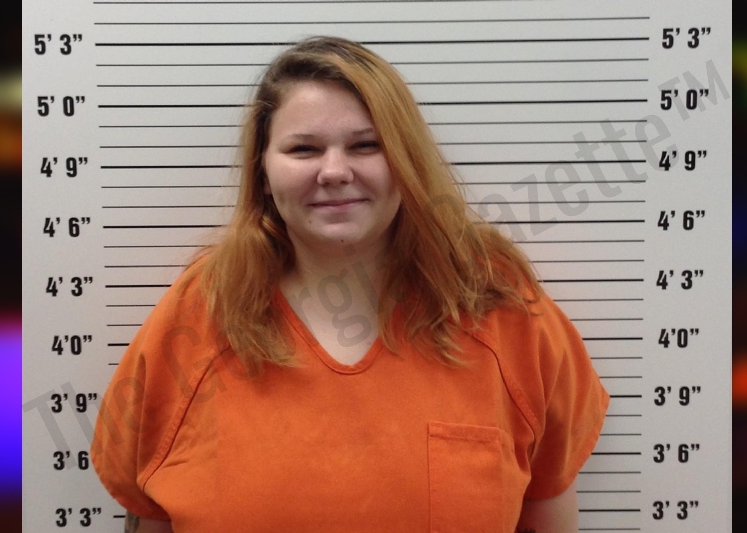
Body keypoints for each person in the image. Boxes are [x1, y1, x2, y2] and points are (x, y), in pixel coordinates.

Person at [90, 36, 609, 533]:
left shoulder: (503, 311)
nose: (334, 171)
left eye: (366, 145)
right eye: (304, 149)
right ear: (263, 172)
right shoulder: (197, 317)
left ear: (405, 160)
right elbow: (146, 511)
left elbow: (548, 503)